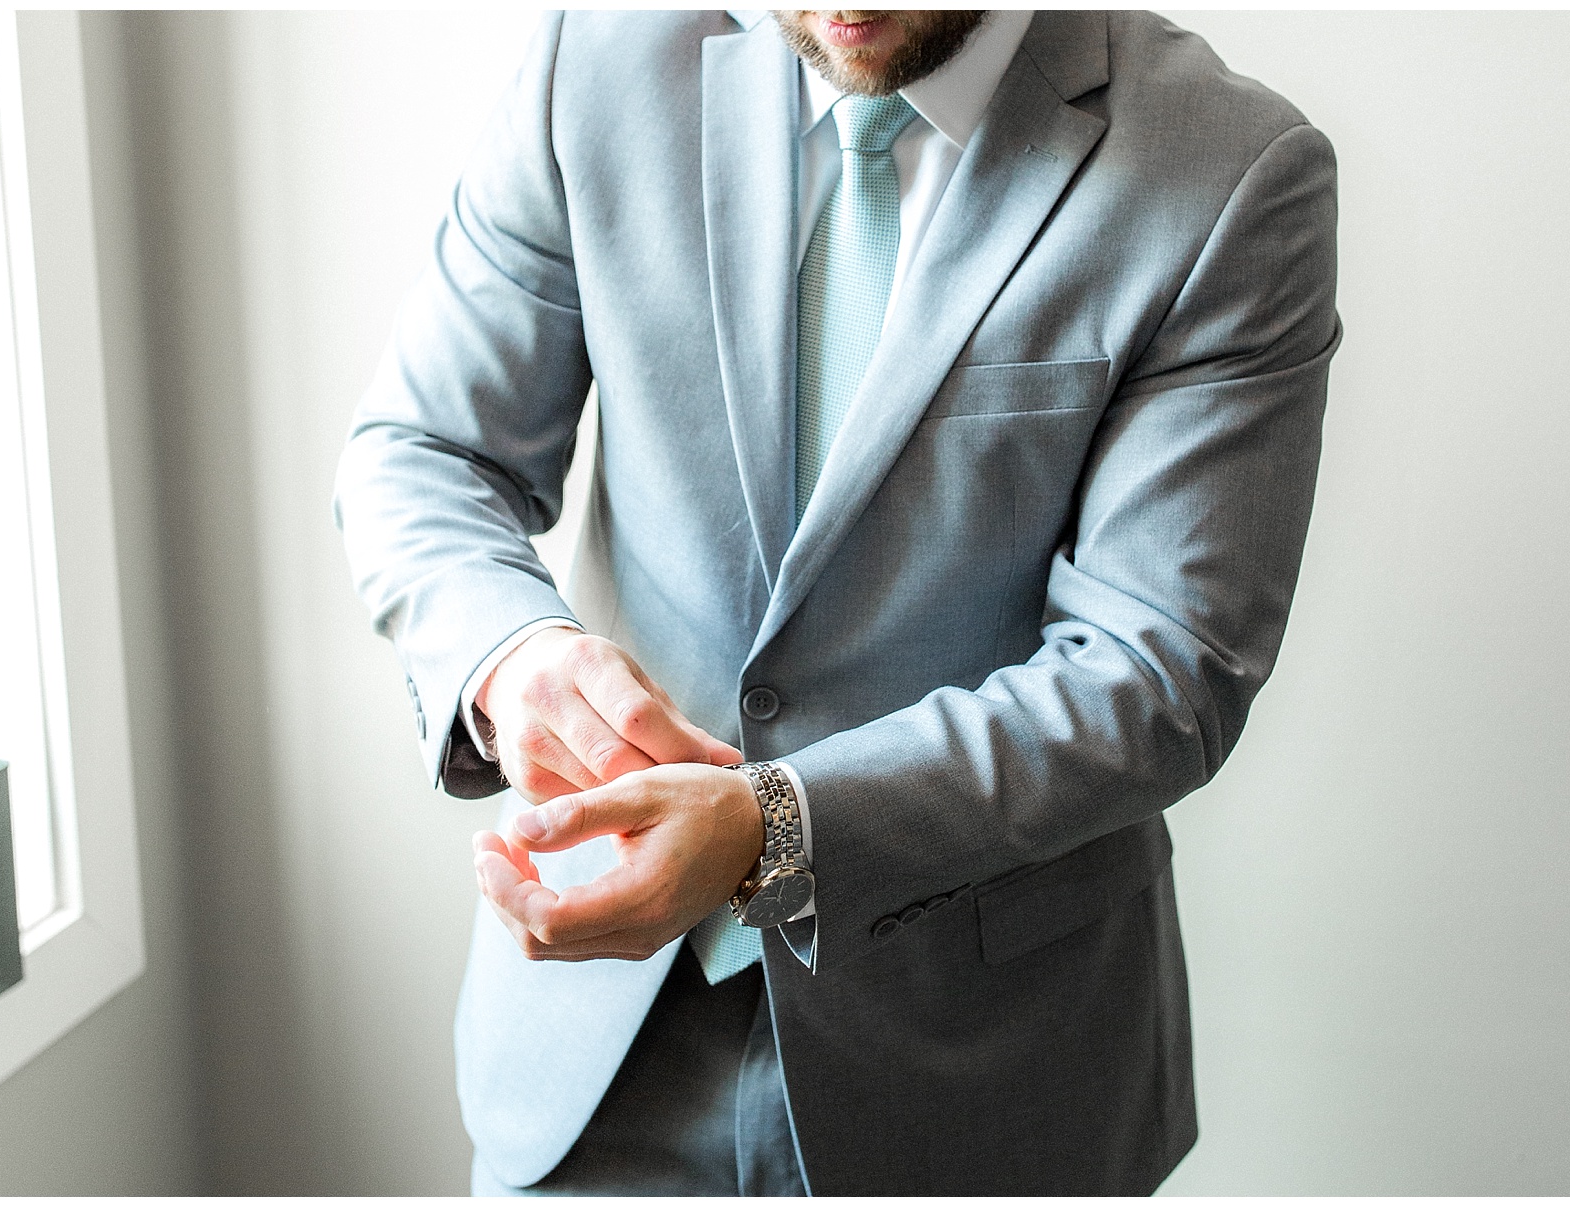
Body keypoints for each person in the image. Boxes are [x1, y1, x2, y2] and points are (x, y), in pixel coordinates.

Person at [335, 8, 1338, 1196]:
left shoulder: (1230, 171)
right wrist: (512, 657)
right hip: (590, 1062)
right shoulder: (592, 63)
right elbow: (425, 452)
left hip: (983, 1078)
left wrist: (780, 829)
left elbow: (1160, 670)